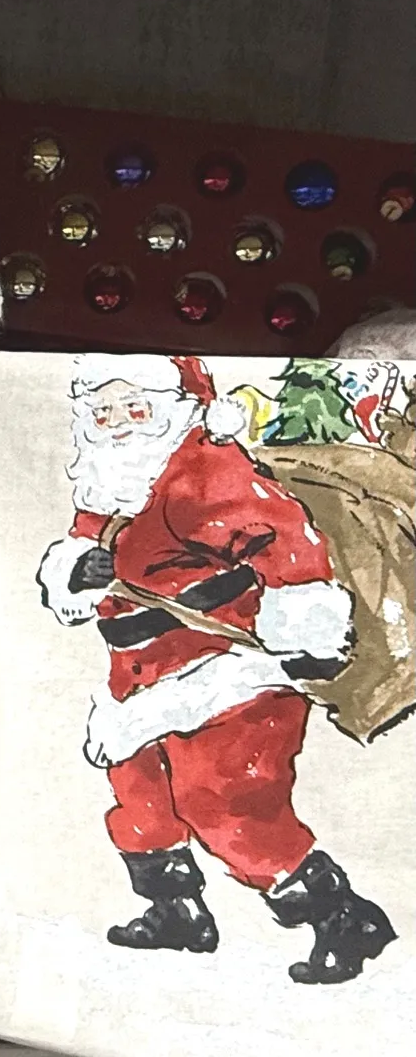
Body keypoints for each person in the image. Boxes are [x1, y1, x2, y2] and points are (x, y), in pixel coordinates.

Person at [35, 353, 395, 984]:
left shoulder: (206, 474)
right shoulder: (110, 478)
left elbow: (286, 540)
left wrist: (304, 624)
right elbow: (83, 543)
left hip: (228, 675)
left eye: (135, 408)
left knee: (226, 803)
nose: (118, 423)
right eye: (103, 411)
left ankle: (342, 919)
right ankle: (176, 912)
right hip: (137, 675)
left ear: (170, 409)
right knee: (141, 793)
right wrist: (77, 571)